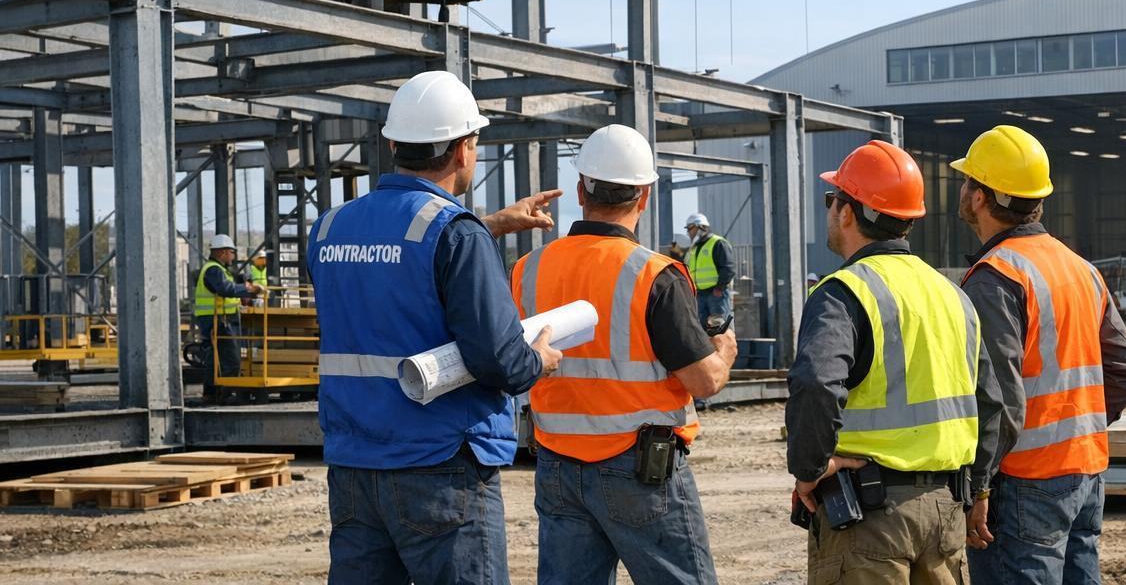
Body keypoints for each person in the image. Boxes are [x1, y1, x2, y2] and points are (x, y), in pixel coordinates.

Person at [308, 70, 564, 585]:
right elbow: (500, 361)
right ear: (464, 149)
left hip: (354, 465)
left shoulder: (331, 226)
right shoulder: (455, 235)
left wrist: (487, 226)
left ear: (394, 143)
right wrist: (539, 359)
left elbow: (394, 267)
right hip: (440, 464)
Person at [512, 124, 738, 585]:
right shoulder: (654, 274)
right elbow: (703, 380)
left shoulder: (527, 269)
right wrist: (725, 353)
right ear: (645, 196)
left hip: (557, 466)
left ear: (580, 190)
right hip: (640, 470)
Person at [788, 140, 997, 585]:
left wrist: (809, 470)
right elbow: (991, 403)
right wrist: (978, 488)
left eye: (833, 199)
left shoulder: (842, 291)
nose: (831, 210)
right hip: (945, 512)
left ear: (847, 211)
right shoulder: (953, 295)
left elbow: (816, 384)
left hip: (869, 515)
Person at [952, 126, 1126, 585]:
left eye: (966, 180)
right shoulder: (1081, 268)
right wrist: (1080, 428)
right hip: (1087, 470)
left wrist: (978, 486)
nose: (961, 188)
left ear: (980, 197)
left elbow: (996, 395)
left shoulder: (995, 277)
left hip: (1025, 481)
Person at [195, 234, 261, 403]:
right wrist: (247, 288)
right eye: (231, 252)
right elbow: (225, 289)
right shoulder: (213, 270)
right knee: (230, 357)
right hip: (219, 320)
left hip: (216, 319)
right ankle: (226, 394)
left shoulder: (217, 269)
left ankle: (212, 393)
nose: (233, 256)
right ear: (222, 252)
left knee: (214, 357)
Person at [683, 212, 735, 328]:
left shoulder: (718, 243)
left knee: (720, 329)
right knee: (702, 330)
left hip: (716, 295)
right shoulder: (694, 248)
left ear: (700, 227)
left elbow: (728, 268)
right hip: (700, 295)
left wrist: (719, 288)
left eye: (690, 228)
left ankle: (724, 347)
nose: (688, 232)